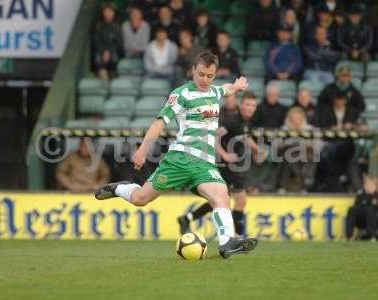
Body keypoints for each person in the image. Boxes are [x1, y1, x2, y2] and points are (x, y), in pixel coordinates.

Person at [94, 51, 258, 259]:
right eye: (201, 75)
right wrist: (143, 150)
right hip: (179, 160)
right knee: (140, 199)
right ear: (192, 71)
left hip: (204, 163)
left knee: (221, 196)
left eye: (209, 76)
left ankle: (227, 242)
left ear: (214, 75)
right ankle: (121, 188)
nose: (205, 80)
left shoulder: (214, 91)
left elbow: (225, 90)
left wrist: (237, 86)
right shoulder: (181, 94)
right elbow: (160, 122)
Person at [177, 91, 263, 237]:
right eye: (248, 104)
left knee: (220, 200)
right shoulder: (232, 121)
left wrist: (256, 149)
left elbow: (245, 136)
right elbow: (213, 137)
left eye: (253, 105)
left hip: (234, 166)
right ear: (241, 105)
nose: (250, 108)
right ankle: (238, 236)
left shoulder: (246, 121)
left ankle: (187, 218)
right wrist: (224, 155)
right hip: (225, 165)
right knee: (238, 200)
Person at [278, 107, 322, 192]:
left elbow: (319, 145)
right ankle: (303, 182)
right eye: (294, 119)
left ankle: (305, 184)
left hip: (306, 155)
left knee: (312, 155)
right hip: (288, 155)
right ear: (289, 119)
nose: (296, 121)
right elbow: (277, 145)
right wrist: (290, 141)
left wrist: (305, 144)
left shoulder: (310, 129)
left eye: (298, 119)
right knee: (290, 154)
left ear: (303, 119)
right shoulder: (283, 129)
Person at [93, 3, 122, 81]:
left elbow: (119, 43)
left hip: (113, 51)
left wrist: (109, 51)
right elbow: (97, 42)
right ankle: (104, 78)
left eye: (110, 12)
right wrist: (104, 51)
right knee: (98, 59)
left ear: (114, 13)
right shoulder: (98, 26)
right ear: (103, 13)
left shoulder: (117, 27)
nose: (108, 14)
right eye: (106, 12)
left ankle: (113, 76)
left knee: (115, 59)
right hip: (101, 51)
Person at [346, 176, 378, 241]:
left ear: (375, 186)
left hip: (375, 220)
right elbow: (357, 206)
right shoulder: (360, 194)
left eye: (371, 185)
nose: (369, 187)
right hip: (361, 220)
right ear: (364, 185)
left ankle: (372, 236)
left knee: (370, 210)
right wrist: (370, 202)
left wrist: (369, 203)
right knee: (352, 209)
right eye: (367, 185)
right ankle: (350, 236)